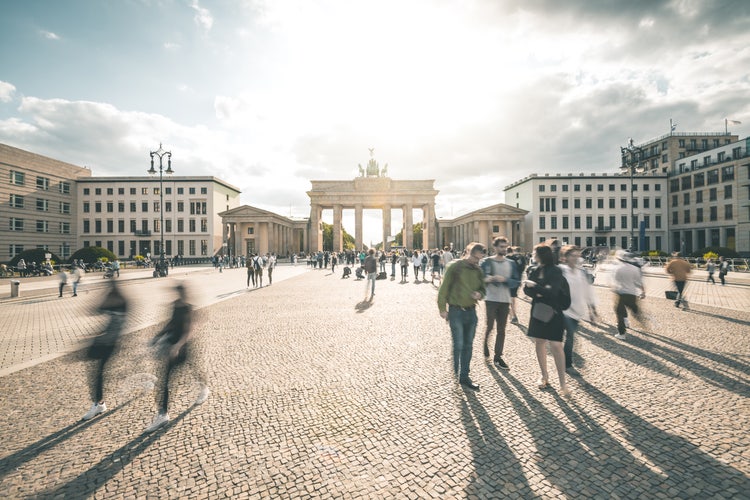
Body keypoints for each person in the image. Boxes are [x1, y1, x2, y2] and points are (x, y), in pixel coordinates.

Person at [146, 284, 209, 432]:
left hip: (182, 346)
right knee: (168, 378)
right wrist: (157, 337)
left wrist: (178, 346)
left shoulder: (187, 308)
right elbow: (171, 323)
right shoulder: (175, 305)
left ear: (184, 293)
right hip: (172, 345)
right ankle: (163, 413)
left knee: (186, 371)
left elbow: (188, 330)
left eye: (179, 292)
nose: (177, 295)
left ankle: (203, 388)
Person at [437, 242, 487, 391]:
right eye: (474, 258)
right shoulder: (455, 267)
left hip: (471, 312)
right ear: (467, 252)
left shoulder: (478, 270)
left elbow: (483, 289)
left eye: (479, 259)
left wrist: (480, 294)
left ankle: (464, 377)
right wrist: (442, 308)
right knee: (458, 344)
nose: (476, 261)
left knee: (468, 346)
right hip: (456, 311)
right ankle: (457, 374)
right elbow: (443, 288)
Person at [524, 244, 571, 397]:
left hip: (554, 312)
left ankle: (563, 383)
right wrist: (538, 291)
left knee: (556, 346)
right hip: (538, 312)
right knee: (539, 342)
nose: (532, 254)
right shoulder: (535, 270)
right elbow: (526, 289)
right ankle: (544, 376)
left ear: (540, 255)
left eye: (534, 252)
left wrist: (537, 288)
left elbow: (553, 292)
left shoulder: (556, 271)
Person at [82, 280, 128, 420]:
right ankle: (99, 402)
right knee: (97, 373)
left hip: (111, 343)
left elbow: (104, 312)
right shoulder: (113, 300)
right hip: (103, 342)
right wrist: (104, 294)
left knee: (98, 374)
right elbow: (95, 310)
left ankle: (99, 404)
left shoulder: (122, 303)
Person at [481, 237, 520, 370]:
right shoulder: (486, 262)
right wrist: (489, 279)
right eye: (501, 246)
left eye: (505, 246)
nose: (504, 249)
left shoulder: (511, 263)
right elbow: (480, 278)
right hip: (490, 299)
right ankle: (485, 344)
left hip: (505, 300)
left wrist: (505, 280)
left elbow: (516, 281)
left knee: (501, 330)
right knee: (490, 326)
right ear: (495, 248)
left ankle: (498, 357)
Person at [559, 245, 597, 376]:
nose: (575, 258)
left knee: (570, 337)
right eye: (572, 256)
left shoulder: (581, 273)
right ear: (565, 257)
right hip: (562, 310)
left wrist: (592, 311)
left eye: (577, 256)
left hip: (576, 311)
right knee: (569, 337)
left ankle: (564, 361)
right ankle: (567, 364)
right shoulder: (561, 271)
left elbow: (587, 292)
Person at [612, 250, 645, 340]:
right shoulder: (635, 269)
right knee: (634, 309)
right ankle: (641, 320)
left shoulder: (617, 268)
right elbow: (639, 282)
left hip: (621, 293)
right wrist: (643, 292)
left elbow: (615, 281)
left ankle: (622, 333)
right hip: (632, 293)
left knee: (619, 312)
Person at [506, 246, 526, 324]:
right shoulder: (519, 258)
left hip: (507, 281)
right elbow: (522, 268)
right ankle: (513, 315)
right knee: (512, 299)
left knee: (509, 299)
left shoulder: (505, 259)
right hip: (516, 281)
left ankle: (513, 315)